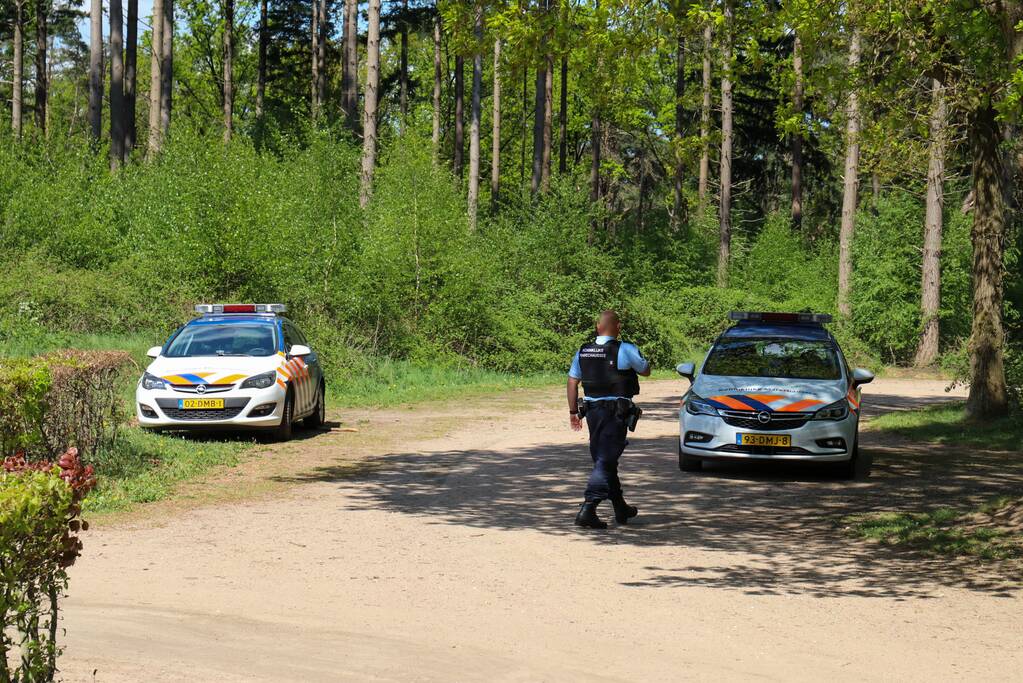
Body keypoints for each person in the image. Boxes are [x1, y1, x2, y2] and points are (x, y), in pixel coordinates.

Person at [567, 310, 651, 529]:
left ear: (597, 327)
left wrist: (572, 412)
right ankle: (588, 507)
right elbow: (645, 370)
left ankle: (620, 506)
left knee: (605, 458)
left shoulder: (583, 351)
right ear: (618, 327)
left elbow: (572, 381)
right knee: (605, 459)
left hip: (593, 412)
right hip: (616, 412)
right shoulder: (625, 348)